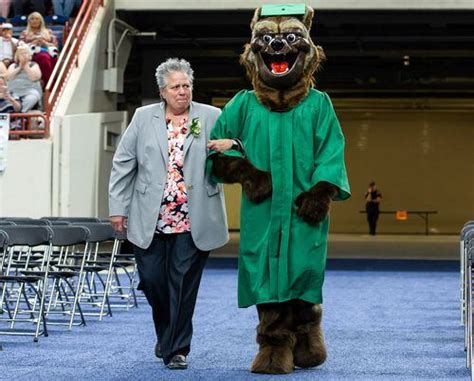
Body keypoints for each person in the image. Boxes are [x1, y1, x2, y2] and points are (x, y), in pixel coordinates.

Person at [109, 58, 231, 370]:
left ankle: (177, 348)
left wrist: (231, 144)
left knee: (183, 284)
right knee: (152, 281)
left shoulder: (209, 116)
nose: (182, 92)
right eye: (176, 87)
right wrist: (118, 208)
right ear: (163, 91)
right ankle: (166, 334)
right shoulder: (143, 117)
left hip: (194, 218)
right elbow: (124, 163)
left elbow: (238, 148)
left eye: (187, 86)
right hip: (149, 217)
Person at [19, 12, 58, 86]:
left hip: (48, 51)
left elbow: (55, 45)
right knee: (43, 57)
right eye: (32, 19)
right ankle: (49, 83)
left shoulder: (48, 31)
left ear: (41, 20)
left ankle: (48, 82)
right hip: (32, 53)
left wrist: (44, 43)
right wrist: (33, 43)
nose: (34, 21)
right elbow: (20, 45)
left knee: (48, 57)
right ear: (29, 21)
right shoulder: (24, 33)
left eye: (37, 19)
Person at [7, 42, 42, 112]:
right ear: (17, 56)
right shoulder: (13, 66)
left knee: (32, 98)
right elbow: (9, 77)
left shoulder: (34, 65)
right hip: (14, 91)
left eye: (25, 53)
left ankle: (21, 113)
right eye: (21, 53)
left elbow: (34, 77)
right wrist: (20, 67)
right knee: (9, 99)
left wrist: (25, 66)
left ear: (29, 55)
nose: (23, 55)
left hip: (30, 91)